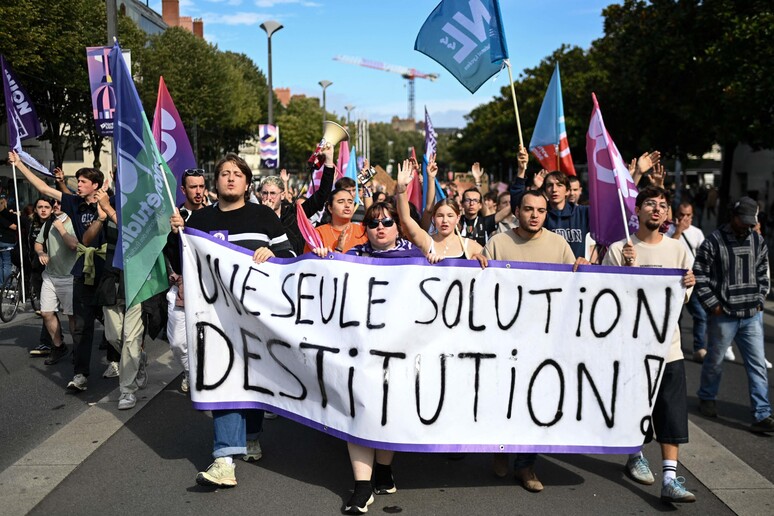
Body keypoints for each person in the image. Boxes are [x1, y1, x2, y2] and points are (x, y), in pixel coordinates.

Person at [170, 153, 294, 488]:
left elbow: (291, 258)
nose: (229, 178)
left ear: (247, 182)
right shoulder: (199, 220)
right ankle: (224, 459)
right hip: (216, 321)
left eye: (236, 174)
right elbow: (181, 264)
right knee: (224, 380)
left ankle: (252, 434)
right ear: (216, 182)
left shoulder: (263, 216)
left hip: (258, 322)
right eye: (224, 173)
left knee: (253, 380)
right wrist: (177, 234)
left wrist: (274, 255)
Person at [312, 202, 424, 514]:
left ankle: (384, 470)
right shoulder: (356, 256)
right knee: (359, 409)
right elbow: (333, 284)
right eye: (374, 223)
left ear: (397, 226)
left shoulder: (415, 257)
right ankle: (362, 486)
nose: (380, 228)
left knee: (387, 411)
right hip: (361, 350)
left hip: (401, 351)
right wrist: (324, 260)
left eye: (387, 222)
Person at [473, 190, 585, 492]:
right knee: (503, 398)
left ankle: (526, 465)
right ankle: (501, 451)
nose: (535, 215)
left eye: (540, 210)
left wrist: (583, 270)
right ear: (517, 212)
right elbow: (479, 284)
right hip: (503, 338)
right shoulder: (499, 242)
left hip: (543, 340)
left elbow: (575, 285)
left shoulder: (558, 244)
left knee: (534, 401)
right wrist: (477, 262)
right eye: (528, 209)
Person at [603, 186, 697, 503]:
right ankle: (635, 455)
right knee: (635, 408)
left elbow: (680, 298)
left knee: (671, 412)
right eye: (649, 204)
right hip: (630, 350)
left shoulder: (679, 250)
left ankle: (670, 477)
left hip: (668, 348)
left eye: (662, 206)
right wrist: (625, 271)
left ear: (667, 214)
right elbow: (605, 297)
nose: (656, 210)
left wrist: (689, 283)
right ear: (637, 211)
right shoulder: (619, 249)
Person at [10, 150, 106, 393]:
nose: (78, 185)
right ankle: (80, 373)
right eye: (78, 181)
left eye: (83, 182)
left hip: (108, 274)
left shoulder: (109, 202)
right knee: (82, 326)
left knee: (114, 330)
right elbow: (44, 187)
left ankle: (120, 358)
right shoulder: (73, 202)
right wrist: (20, 164)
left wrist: (106, 211)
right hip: (82, 273)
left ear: (95, 185)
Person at [693, 197, 774, 433]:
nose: (747, 226)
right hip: (724, 315)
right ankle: (707, 396)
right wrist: (713, 305)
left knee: (757, 365)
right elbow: (700, 274)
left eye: (751, 222)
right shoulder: (714, 242)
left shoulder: (758, 241)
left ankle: (762, 413)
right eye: (743, 221)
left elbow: (763, 274)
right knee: (715, 361)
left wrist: (759, 301)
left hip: (751, 315)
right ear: (733, 216)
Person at [164, 168, 207, 393]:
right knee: (178, 341)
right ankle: (190, 371)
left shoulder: (212, 215)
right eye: (193, 187)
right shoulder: (174, 216)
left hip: (208, 291)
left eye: (201, 186)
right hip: (181, 289)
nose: (198, 192)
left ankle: (203, 377)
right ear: (183, 190)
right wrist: (173, 234)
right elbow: (170, 256)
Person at [394, 157, 482, 261]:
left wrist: (479, 259)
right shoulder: (426, 242)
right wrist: (401, 190)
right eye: (440, 216)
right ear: (433, 218)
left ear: (458, 218)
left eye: (450, 216)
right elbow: (405, 220)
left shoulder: (471, 246)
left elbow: (493, 268)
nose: (445, 220)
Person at [260, 144, 335, 255]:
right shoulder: (255, 216)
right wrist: (267, 215)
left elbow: (322, 195)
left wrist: (329, 161)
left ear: (282, 195)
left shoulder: (295, 214)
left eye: (273, 193)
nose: (269, 197)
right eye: (265, 193)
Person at [33, 198, 78, 366]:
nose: (56, 207)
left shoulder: (72, 223)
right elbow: (38, 243)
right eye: (54, 205)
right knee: (46, 313)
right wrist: (41, 253)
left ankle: (78, 348)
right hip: (50, 276)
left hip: (69, 276)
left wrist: (60, 228)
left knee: (71, 316)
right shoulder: (48, 223)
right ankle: (58, 346)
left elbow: (73, 245)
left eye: (59, 204)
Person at [671, 202, 708, 362]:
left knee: (700, 315)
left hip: (692, 280)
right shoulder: (669, 232)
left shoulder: (697, 233)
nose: (684, 218)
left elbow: (704, 255)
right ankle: (674, 348)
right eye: (681, 214)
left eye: (688, 215)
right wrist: (678, 231)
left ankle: (699, 348)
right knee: (675, 317)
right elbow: (669, 249)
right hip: (675, 281)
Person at [460, 155, 523, 247]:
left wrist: (521, 171)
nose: (471, 203)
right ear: (462, 204)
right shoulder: (456, 221)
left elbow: (513, 204)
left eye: (475, 201)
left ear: (481, 205)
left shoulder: (486, 222)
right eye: (468, 200)